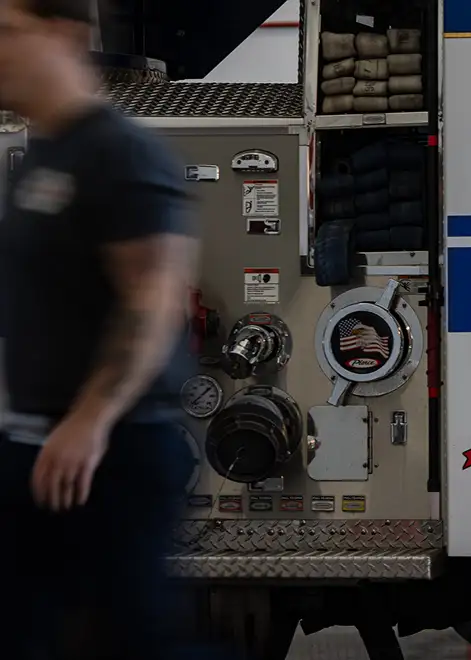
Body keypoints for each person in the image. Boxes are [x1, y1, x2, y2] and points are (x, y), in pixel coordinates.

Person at [0, 0, 202, 657]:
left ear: (66, 33)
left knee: (140, 638)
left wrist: (89, 421)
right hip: (39, 445)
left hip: (113, 453)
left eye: (7, 32)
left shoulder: (120, 150)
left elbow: (152, 297)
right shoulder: (42, 156)